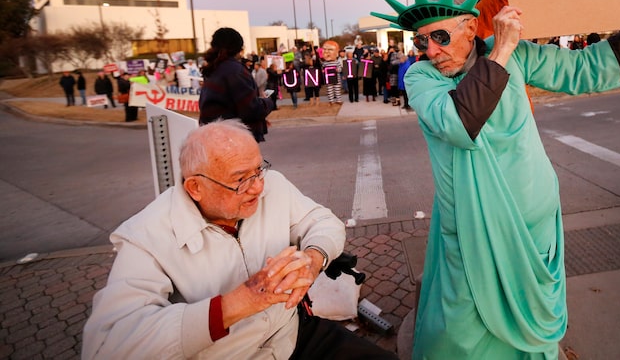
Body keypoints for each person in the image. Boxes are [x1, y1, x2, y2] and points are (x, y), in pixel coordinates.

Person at [372, 0, 620, 358]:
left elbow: (582, 70)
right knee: (458, 326)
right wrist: (501, 54)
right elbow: (458, 123)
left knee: (530, 329)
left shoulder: (517, 54)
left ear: (471, 26)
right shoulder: (422, 76)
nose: (430, 50)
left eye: (440, 37)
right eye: (421, 40)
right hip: (471, 229)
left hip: (535, 228)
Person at [82, 119, 397, 360]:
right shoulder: (146, 236)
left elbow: (322, 221)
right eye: (240, 179)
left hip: (290, 336)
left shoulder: (273, 186)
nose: (258, 187)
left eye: (258, 170)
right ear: (195, 187)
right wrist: (241, 301)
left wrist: (313, 259)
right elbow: (109, 345)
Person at [199, 27, 275, 143]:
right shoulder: (234, 71)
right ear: (239, 48)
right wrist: (268, 102)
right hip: (233, 139)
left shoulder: (214, 68)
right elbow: (250, 109)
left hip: (213, 137)